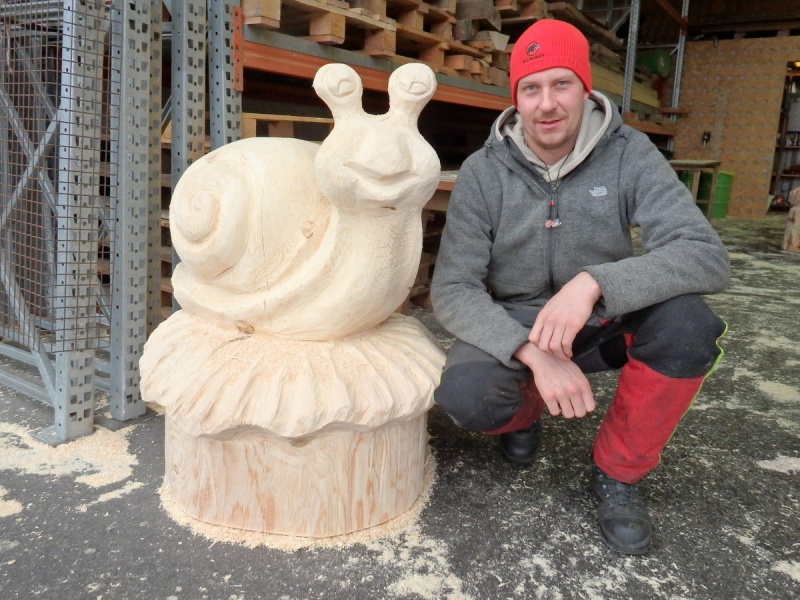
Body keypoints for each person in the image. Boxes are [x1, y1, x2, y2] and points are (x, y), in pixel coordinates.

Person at [430, 18, 730, 555]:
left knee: (688, 326)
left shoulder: (629, 153)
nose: (547, 104)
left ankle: (618, 472)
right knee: (468, 396)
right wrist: (532, 355)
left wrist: (594, 282)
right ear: (516, 98)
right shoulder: (483, 172)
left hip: (601, 322)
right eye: (531, 88)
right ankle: (525, 410)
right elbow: (453, 287)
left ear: (585, 88)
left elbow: (703, 253)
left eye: (561, 84)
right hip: (519, 321)